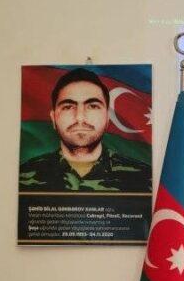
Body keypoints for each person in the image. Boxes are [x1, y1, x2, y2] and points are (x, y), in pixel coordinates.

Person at [19, 68, 151, 193]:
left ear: (107, 118)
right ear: (53, 118)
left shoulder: (145, 179)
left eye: (92, 106)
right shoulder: (22, 177)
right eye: (68, 107)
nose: (80, 117)